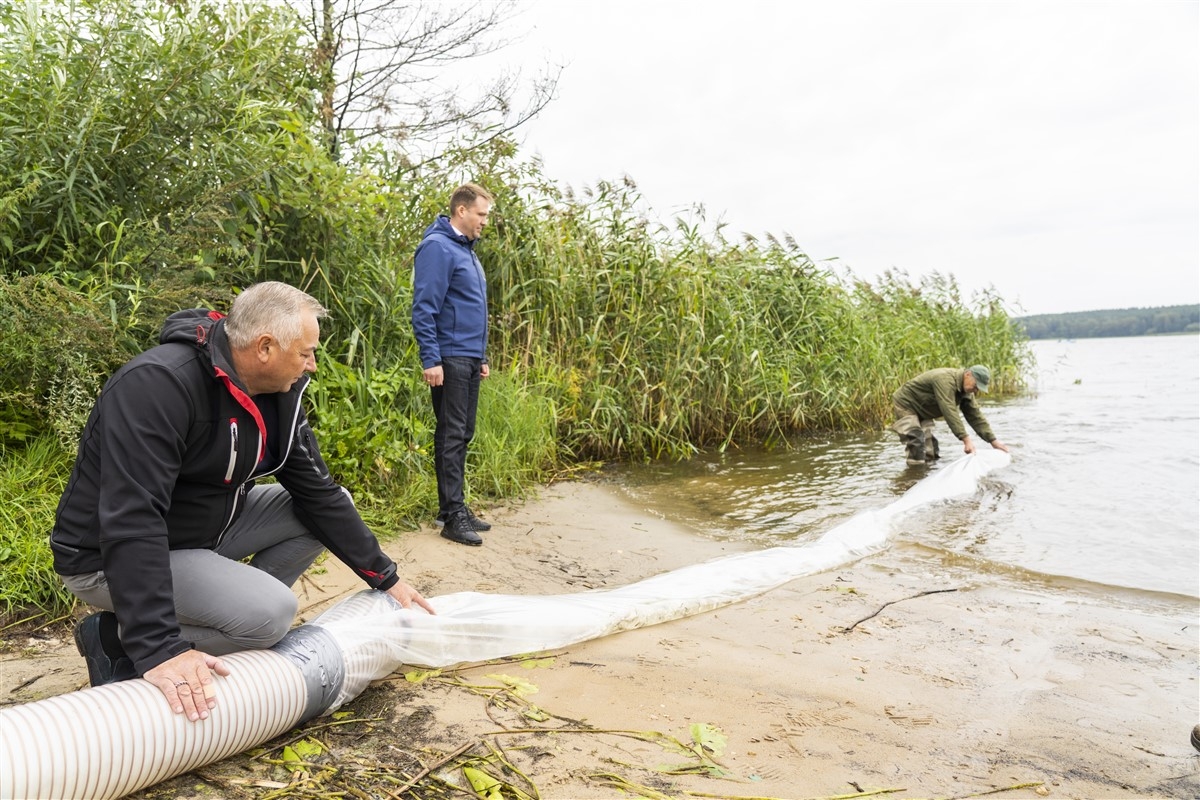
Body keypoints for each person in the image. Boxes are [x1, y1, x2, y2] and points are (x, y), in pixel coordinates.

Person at [51, 282, 435, 722]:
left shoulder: (278, 395)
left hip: (201, 531)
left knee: (325, 511)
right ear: (265, 347)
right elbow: (132, 520)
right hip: (105, 555)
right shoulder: (158, 385)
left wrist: (386, 578)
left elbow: (318, 493)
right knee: (271, 615)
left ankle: (225, 619)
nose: (312, 365)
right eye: (306, 352)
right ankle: (118, 639)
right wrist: (158, 647)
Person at [411, 182, 495, 546]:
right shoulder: (437, 248)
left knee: (463, 432)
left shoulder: (467, 250)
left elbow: (470, 309)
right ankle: (452, 516)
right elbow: (424, 308)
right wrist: (431, 359)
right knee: (451, 433)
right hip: (448, 358)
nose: (484, 222)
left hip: (468, 357)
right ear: (461, 211)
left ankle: (453, 508)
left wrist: (482, 356)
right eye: (481, 214)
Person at [891, 365, 1010, 466]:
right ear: (968, 374)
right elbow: (949, 410)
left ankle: (928, 473)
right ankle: (913, 479)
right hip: (906, 404)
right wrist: (966, 440)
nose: (976, 390)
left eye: (978, 389)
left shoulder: (966, 392)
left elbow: (975, 416)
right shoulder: (944, 380)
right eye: (975, 386)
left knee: (931, 449)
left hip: (923, 409)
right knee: (916, 440)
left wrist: (993, 441)